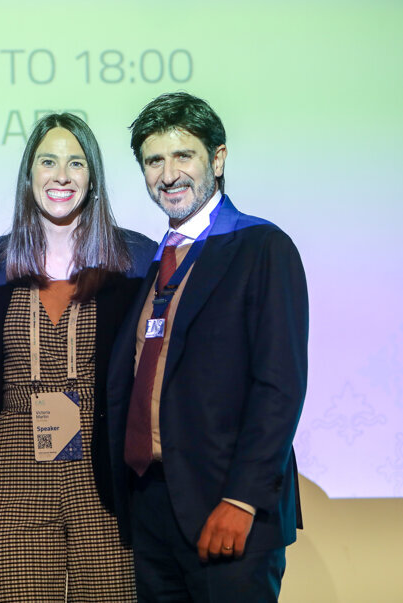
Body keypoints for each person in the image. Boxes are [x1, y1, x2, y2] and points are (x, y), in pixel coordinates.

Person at [106, 92, 308, 602]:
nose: (169, 174)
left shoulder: (263, 247)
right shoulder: (155, 262)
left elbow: (279, 386)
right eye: (154, 161)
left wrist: (242, 499)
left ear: (217, 159)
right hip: (152, 507)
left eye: (183, 156)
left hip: (226, 508)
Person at [0, 113, 156, 601]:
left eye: (76, 163)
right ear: (29, 176)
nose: (62, 175)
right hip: (15, 471)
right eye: (48, 162)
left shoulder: (135, 256)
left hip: (104, 469)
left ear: (92, 176)